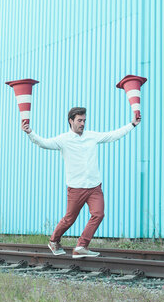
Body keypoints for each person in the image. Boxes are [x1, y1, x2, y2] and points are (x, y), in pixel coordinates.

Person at [21, 107, 140, 258]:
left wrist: (132, 124)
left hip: (94, 186)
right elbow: (44, 143)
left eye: (84, 120)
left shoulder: (91, 136)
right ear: (71, 121)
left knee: (98, 214)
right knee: (69, 218)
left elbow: (112, 136)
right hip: (76, 188)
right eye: (79, 120)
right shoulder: (63, 140)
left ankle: (81, 246)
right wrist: (29, 132)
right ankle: (53, 241)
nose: (82, 123)